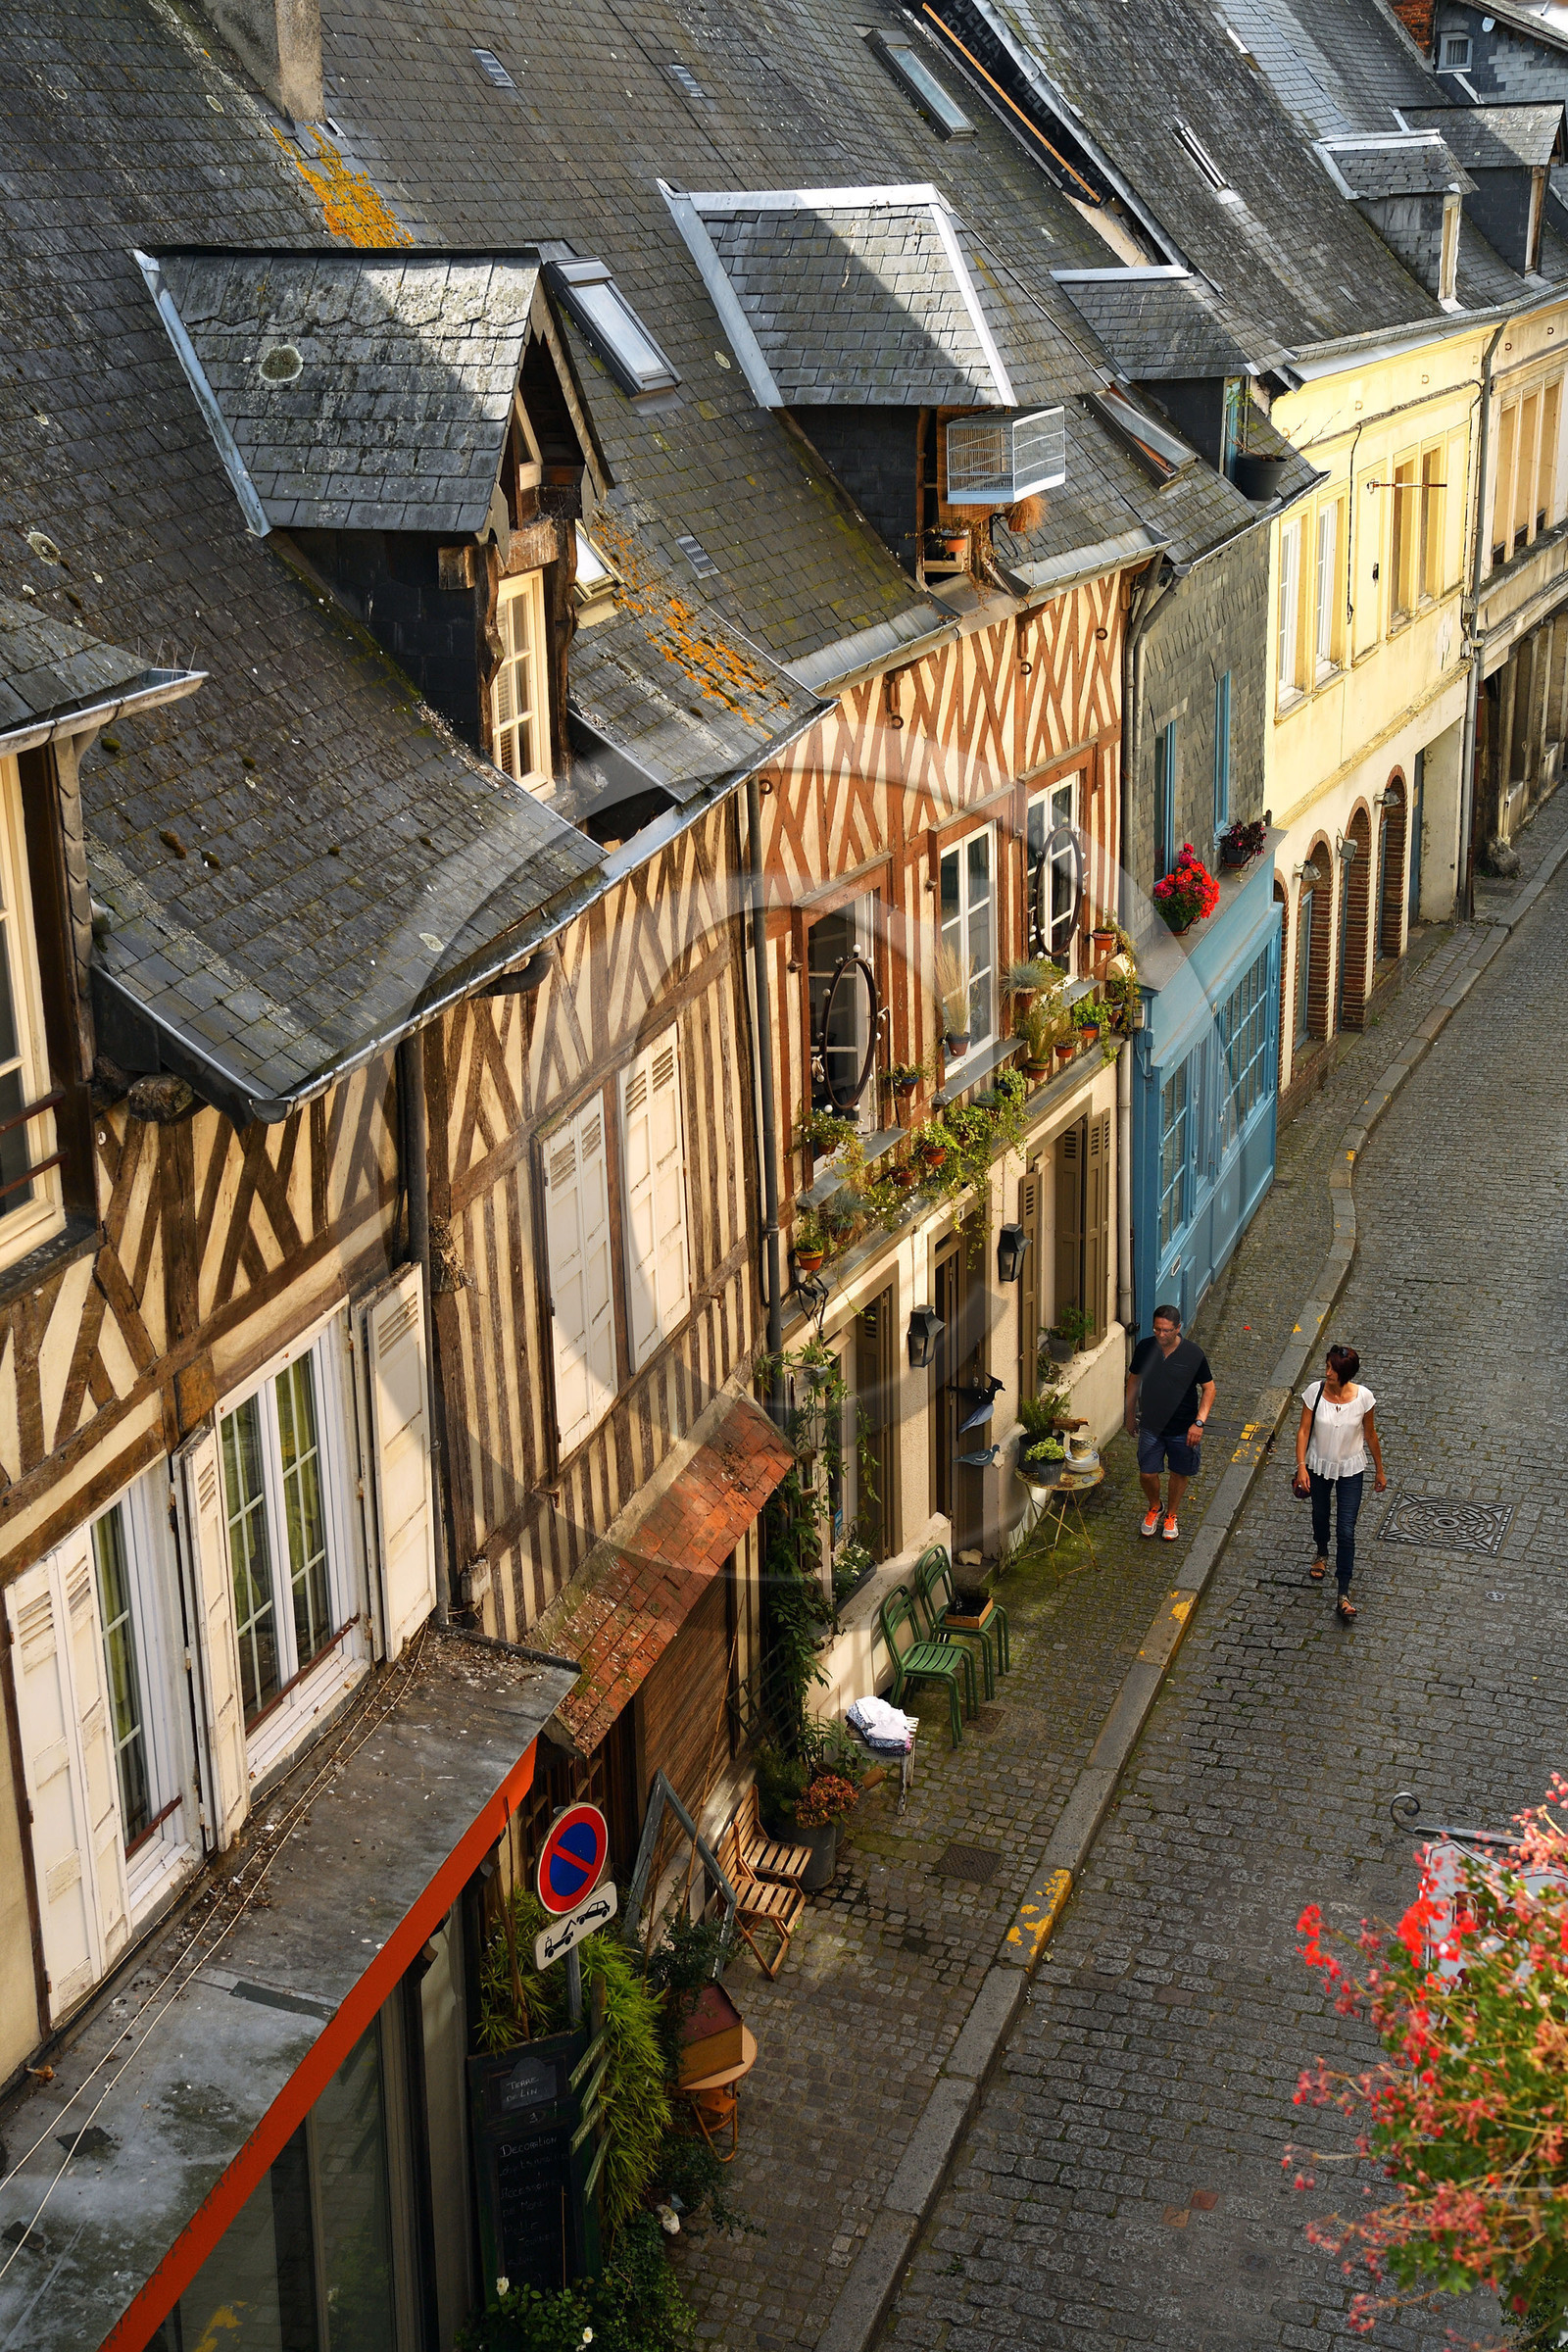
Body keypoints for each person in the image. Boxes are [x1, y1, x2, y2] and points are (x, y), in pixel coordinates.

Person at [1295, 1344, 1385, 1622]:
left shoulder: (1363, 1398)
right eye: (1327, 1367)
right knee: (1320, 1514)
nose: (1327, 1372)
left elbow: (1370, 1435)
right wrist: (1301, 1467)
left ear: (1345, 1373)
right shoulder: (1315, 1391)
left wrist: (1380, 1470)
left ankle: (1343, 1592)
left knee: (1347, 1529)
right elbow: (1303, 1430)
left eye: (1332, 1369)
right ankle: (1321, 1550)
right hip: (1318, 1466)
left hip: (1351, 1469)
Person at [1125, 1303, 1216, 1542]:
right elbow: (1133, 1381)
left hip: (1183, 1428)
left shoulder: (1193, 1354)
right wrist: (1128, 1414)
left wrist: (1199, 1422)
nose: (1161, 1335)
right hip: (1151, 1426)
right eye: (1157, 1330)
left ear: (1178, 1328)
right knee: (1147, 1473)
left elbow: (1209, 1389)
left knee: (1179, 1473)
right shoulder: (1145, 1348)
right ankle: (1155, 1506)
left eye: (1166, 1330)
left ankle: (1171, 1515)